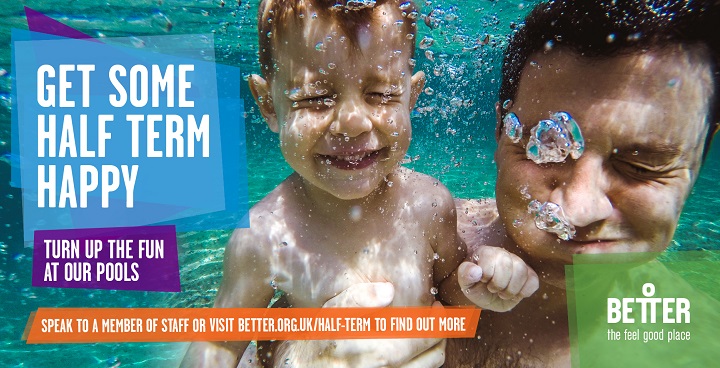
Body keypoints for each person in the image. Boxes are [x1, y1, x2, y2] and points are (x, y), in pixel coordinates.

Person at [181, 1, 538, 367]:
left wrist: (480, 282)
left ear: (411, 96)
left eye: (382, 95)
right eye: (314, 98)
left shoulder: (430, 205)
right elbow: (219, 344)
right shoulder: (263, 237)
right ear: (268, 104)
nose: (352, 123)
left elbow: (448, 293)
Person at [446, 0, 720, 366]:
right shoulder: (406, 241)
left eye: (641, 165)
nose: (577, 210)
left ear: (700, 159)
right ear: (500, 133)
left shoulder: (698, 348)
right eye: (545, 145)